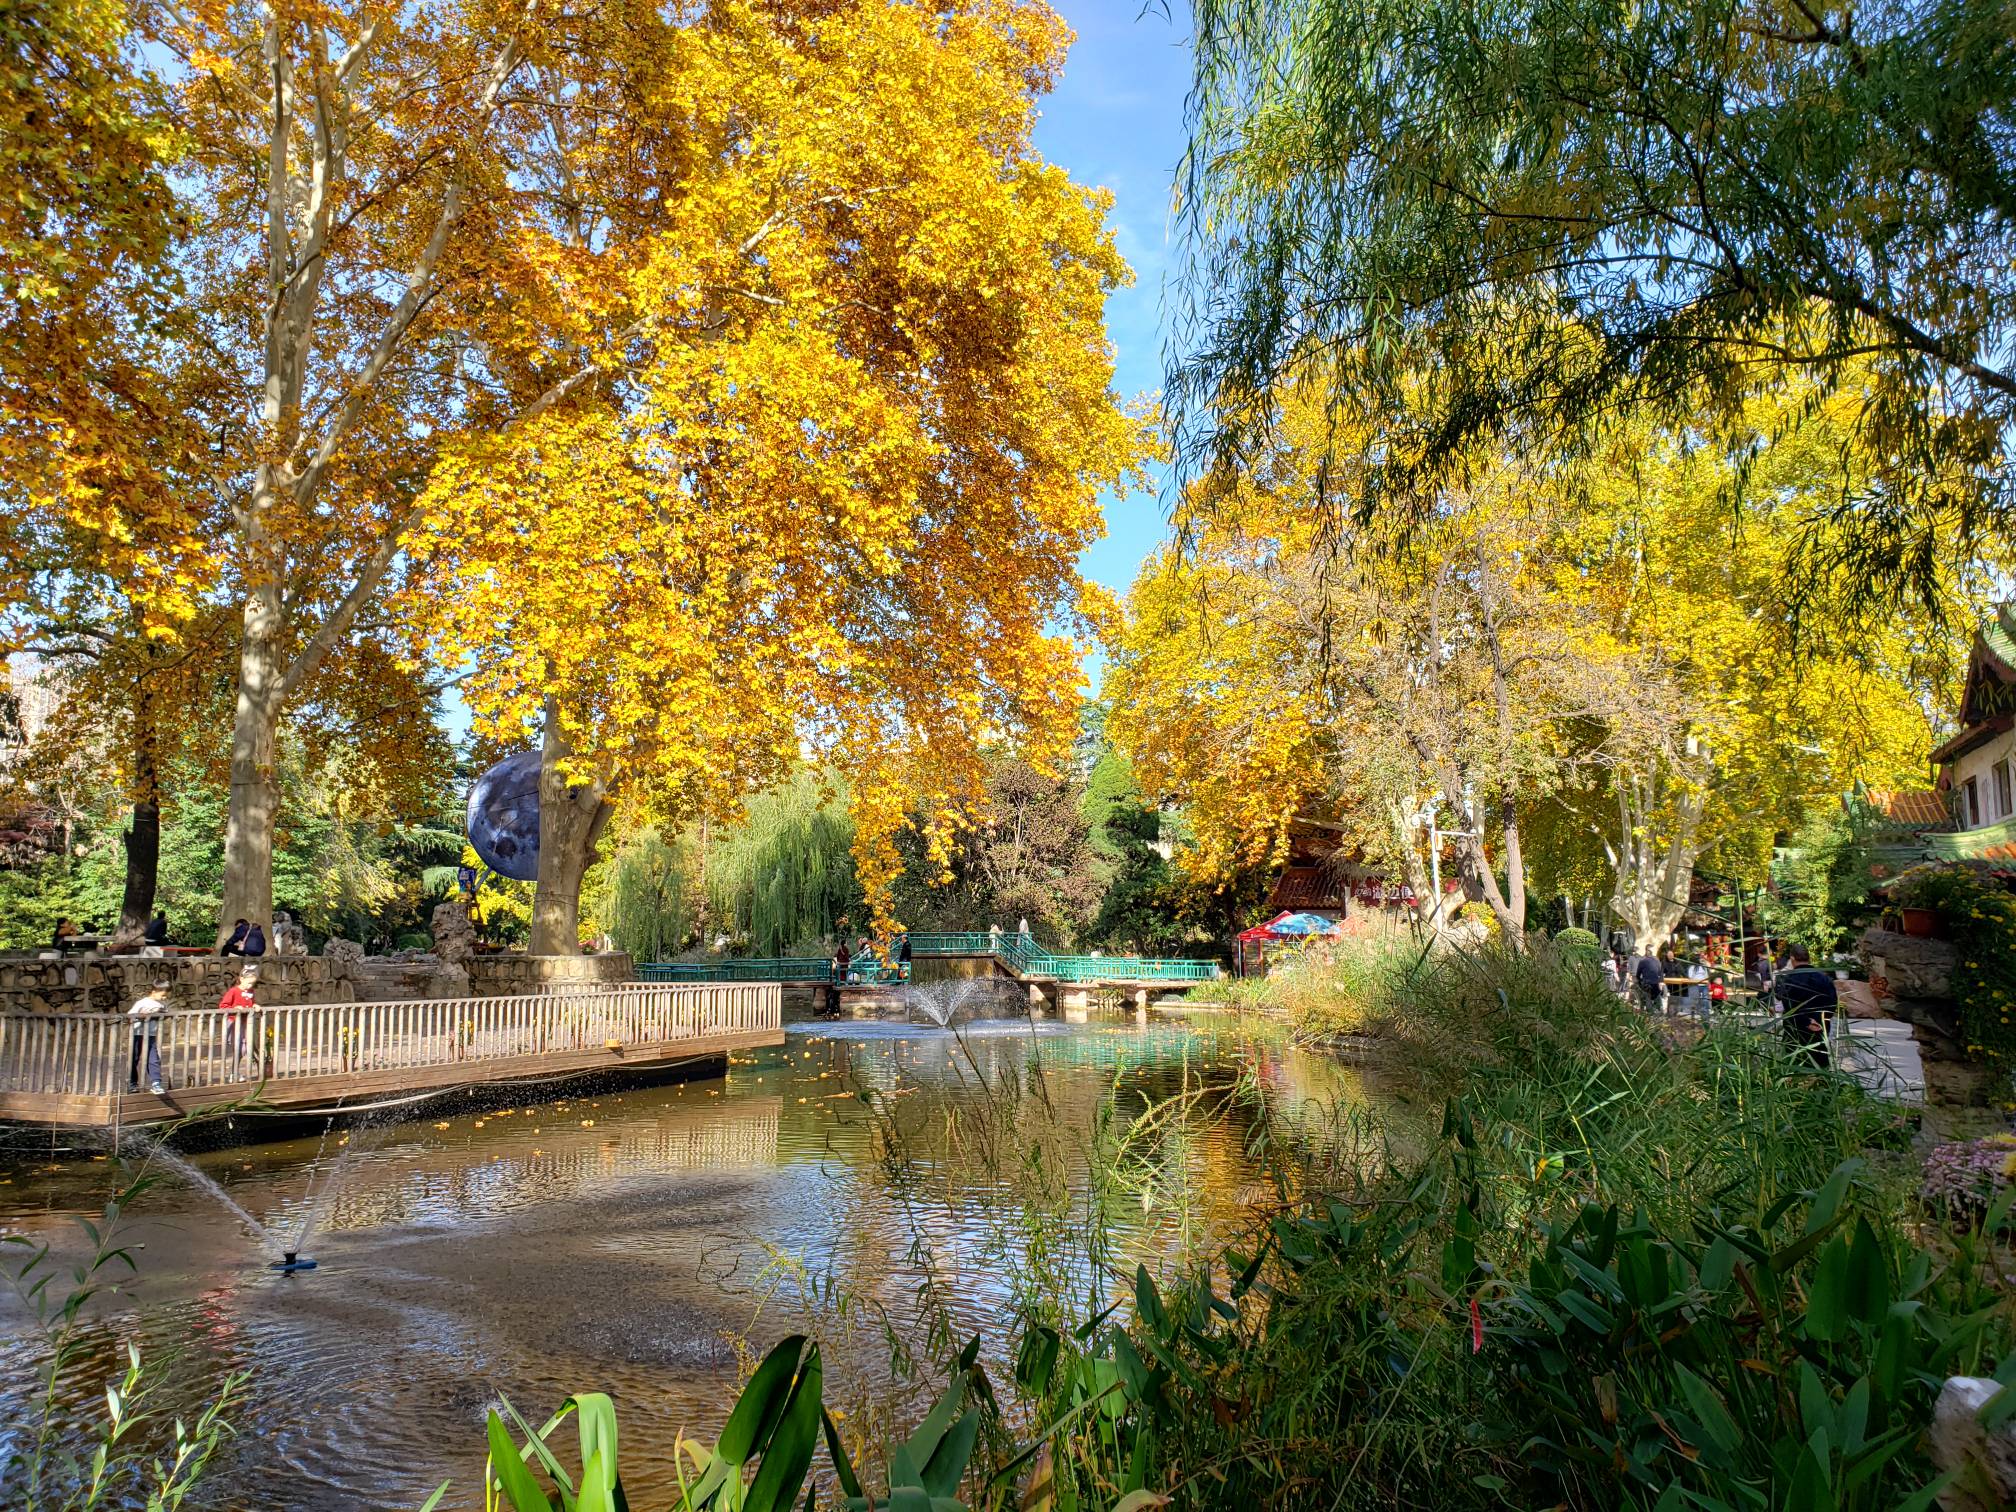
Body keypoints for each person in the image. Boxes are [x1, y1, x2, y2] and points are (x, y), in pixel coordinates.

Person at [1774, 944, 1838, 1065]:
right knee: (1819, 1066)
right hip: (1819, 1028)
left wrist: (1806, 1022)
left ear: (1792, 958)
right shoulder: (1824, 978)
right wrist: (1819, 1020)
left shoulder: (1788, 978)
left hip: (1795, 1030)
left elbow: (1788, 1004)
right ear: (1809, 958)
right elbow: (1832, 1003)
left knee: (1794, 1066)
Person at [128, 977, 171, 1094]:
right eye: (163, 995)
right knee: (134, 1058)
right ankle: (132, 1084)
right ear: (154, 991)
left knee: (153, 1059)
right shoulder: (142, 1003)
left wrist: (161, 1014)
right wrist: (141, 1015)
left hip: (151, 1035)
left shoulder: (162, 1005)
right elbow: (130, 1015)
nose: (164, 998)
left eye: (166, 996)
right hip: (138, 1034)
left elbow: (164, 1014)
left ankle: (156, 1083)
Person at [220, 965, 259, 1072]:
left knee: (245, 1047)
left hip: (245, 1022)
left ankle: (234, 1071)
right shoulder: (233, 991)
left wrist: (254, 1005)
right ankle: (234, 1072)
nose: (250, 986)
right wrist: (234, 1008)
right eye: (249, 983)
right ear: (241, 979)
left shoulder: (250, 991)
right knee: (238, 1047)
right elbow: (223, 1005)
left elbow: (251, 1002)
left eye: (252, 983)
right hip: (235, 1022)